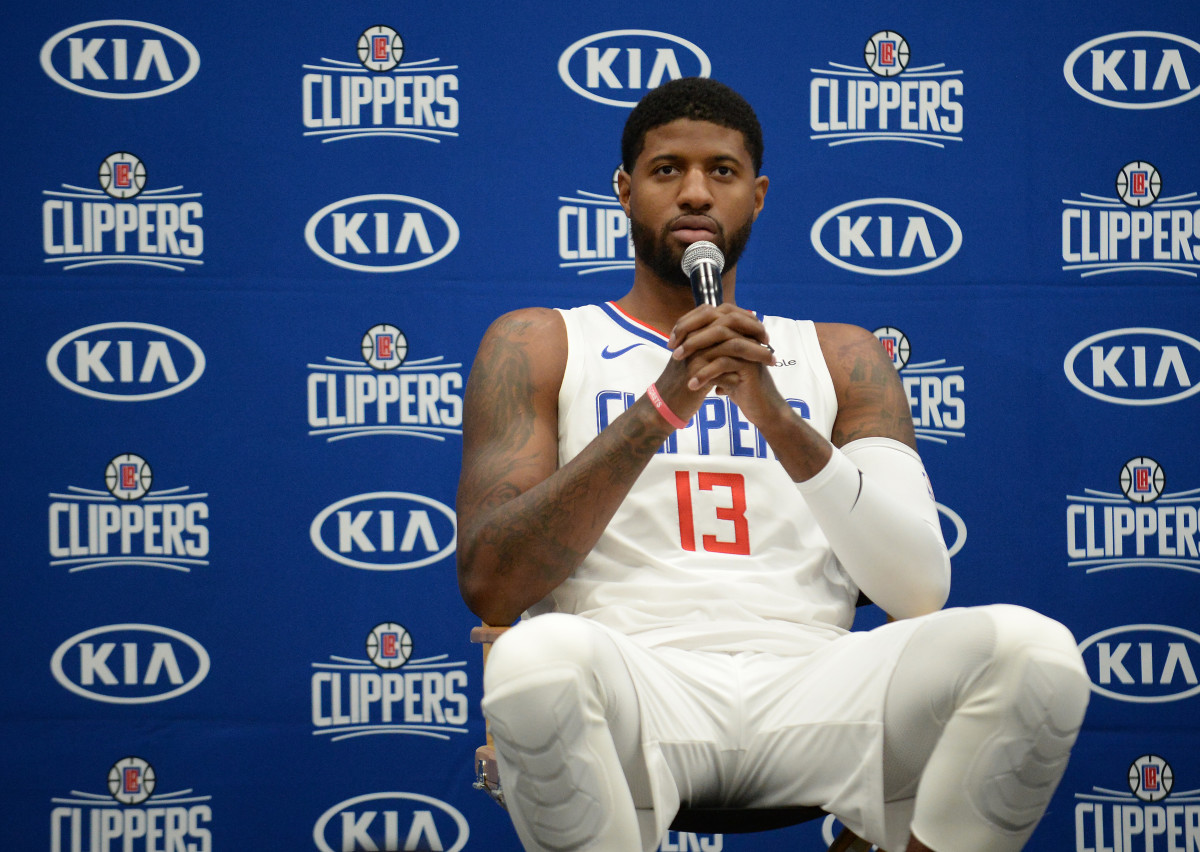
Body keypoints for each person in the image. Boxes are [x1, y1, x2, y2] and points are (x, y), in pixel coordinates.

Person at [455, 77, 1089, 852]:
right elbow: (493, 581)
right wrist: (659, 408)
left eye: (720, 172)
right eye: (666, 171)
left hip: (816, 680)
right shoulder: (544, 340)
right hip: (635, 682)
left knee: (1034, 653)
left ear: (756, 197)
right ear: (623, 191)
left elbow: (919, 587)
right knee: (533, 661)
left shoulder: (841, 354)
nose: (694, 192)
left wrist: (773, 414)